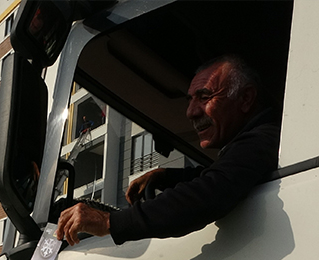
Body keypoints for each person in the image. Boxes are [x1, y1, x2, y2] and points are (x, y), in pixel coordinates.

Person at [56, 55, 280, 246]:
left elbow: (210, 193)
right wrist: (167, 176)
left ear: (246, 99)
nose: (191, 112)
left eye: (204, 97)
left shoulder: (264, 138)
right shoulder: (255, 143)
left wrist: (109, 222)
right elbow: (222, 175)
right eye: (191, 100)